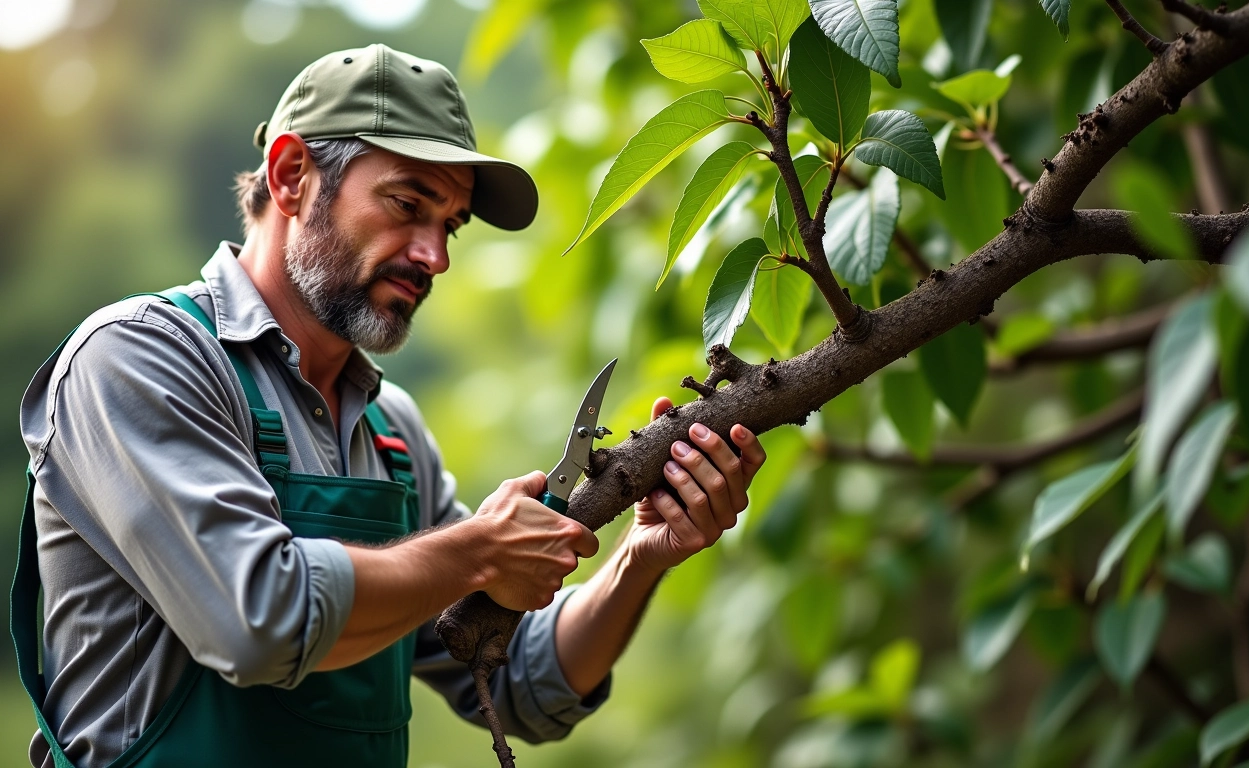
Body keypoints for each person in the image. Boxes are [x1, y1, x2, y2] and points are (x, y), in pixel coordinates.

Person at [13, 44, 767, 768]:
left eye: (450, 225)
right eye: (408, 204)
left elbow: (519, 684)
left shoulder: (391, 431)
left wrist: (642, 558)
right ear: (290, 177)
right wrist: (476, 550)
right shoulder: (140, 362)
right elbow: (256, 624)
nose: (434, 255)